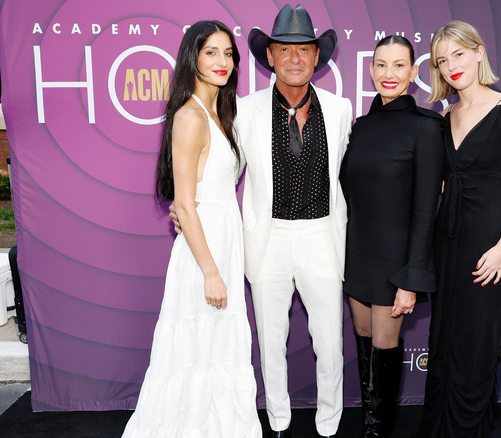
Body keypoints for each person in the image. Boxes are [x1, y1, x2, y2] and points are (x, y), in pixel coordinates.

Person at [172, 5, 352, 438]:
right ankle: (278, 420)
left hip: (322, 237)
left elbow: (353, 172)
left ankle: (330, 422)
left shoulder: (340, 109)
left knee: (330, 342)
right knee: (271, 342)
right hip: (267, 240)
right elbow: (220, 170)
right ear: (269, 56)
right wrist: (187, 206)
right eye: (284, 49)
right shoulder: (243, 111)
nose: (294, 58)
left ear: (317, 56)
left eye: (304, 49)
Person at [122, 21, 261, 437]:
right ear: (192, 57)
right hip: (205, 253)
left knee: (217, 349)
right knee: (195, 350)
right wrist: (211, 272)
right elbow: (184, 202)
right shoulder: (190, 117)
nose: (222, 61)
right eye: (211, 52)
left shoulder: (223, 114)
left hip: (222, 239)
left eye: (228, 53)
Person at [418, 21, 501, 438]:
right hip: (445, 240)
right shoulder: (444, 116)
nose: (451, 66)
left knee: (477, 341)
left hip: (487, 241)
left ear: (479, 52)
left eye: (459, 54)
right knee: (443, 338)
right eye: (442, 61)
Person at [339, 35, 443, 438]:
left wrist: (411, 278)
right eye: (381, 65)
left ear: (414, 72)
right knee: (365, 343)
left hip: (394, 263)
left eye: (399, 65)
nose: (389, 73)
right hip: (358, 255)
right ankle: (370, 425)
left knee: (384, 346)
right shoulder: (361, 127)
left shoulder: (426, 128)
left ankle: (377, 432)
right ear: (371, 69)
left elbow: (425, 210)